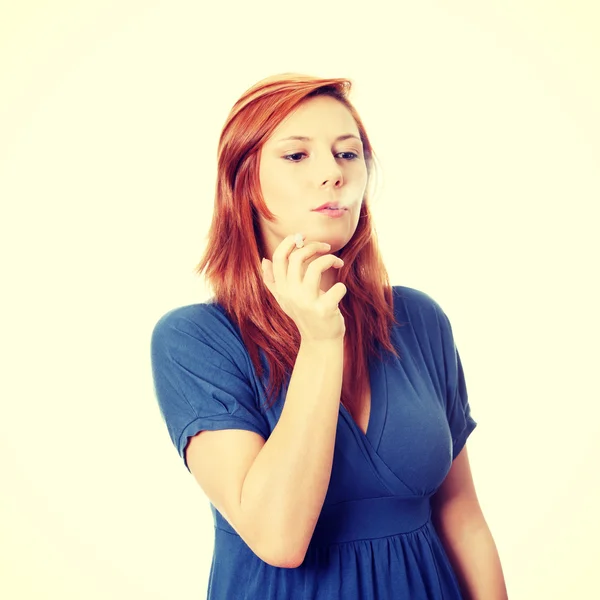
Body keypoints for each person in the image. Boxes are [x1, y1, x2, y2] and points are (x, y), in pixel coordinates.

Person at [150, 73, 508, 599]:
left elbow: (462, 515)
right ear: (244, 180)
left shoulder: (419, 319)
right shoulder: (194, 340)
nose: (332, 174)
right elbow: (279, 537)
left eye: (348, 153)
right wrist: (319, 343)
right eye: (296, 156)